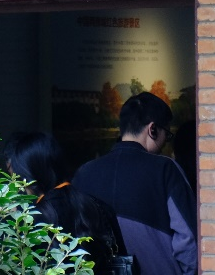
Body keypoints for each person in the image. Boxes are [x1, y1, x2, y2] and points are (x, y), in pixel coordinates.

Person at [72, 92, 197, 275]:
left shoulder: (83, 173)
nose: (165, 143)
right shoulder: (166, 170)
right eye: (167, 135)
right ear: (152, 129)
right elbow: (188, 241)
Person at [4, 131, 128, 272]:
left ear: (27, 175)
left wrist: (10, 221)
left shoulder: (32, 219)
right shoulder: (97, 206)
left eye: (17, 177)